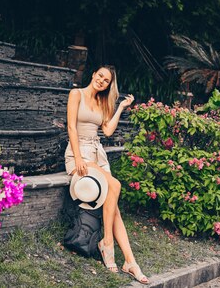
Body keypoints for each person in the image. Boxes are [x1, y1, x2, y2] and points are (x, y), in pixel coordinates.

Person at [65, 66, 149, 284]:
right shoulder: (77, 94)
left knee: (115, 207)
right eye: (100, 76)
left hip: (97, 154)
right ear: (93, 74)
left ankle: (130, 261)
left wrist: (120, 106)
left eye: (106, 80)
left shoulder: (102, 102)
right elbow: (72, 128)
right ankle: (107, 243)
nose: (102, 81)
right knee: (116, 185)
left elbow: (108, 131)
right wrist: (79, 158)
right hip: (79, 154)